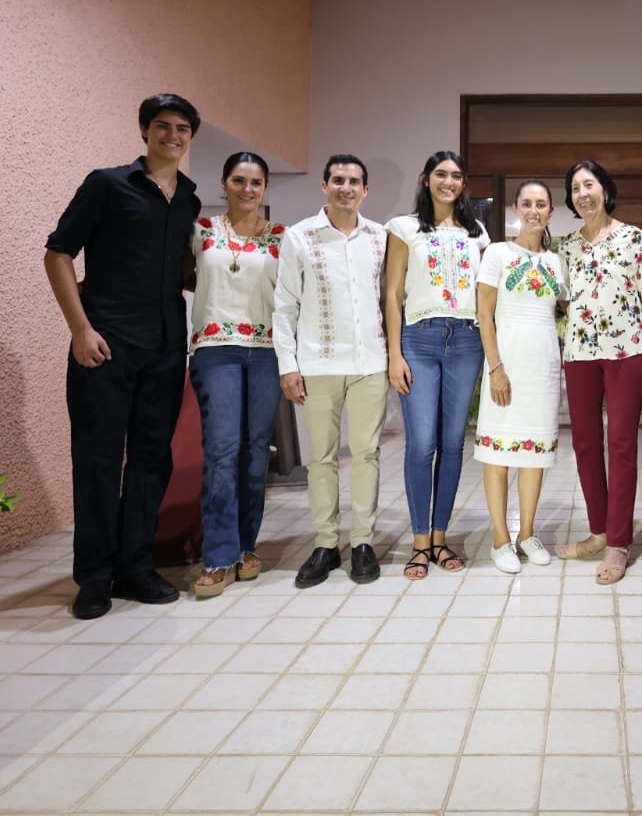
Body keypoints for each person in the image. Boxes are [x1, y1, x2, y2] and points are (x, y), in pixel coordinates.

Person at [44, 93, 202, 620]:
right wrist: (80, 329)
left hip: (165, 346)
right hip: (105, 343)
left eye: (182, 129)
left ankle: (135, 566)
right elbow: (58, 254)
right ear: (144, 131)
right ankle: (94, 577)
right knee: (98, 459)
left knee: (152, 459)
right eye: (163, 126)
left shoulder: (189, 200)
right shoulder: (107, 185)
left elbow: (184, 271)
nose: (173, 136)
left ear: (190, 138)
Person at [274, 154, 388, 587]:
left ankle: (362, 542)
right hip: (318, 363)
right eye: (338, 180)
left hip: (369, 363)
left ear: (365, 190)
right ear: (324, 186)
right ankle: (325, 543)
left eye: (354, 181)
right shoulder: (300, 236)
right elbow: (285, 305)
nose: (346, 188)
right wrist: (288, 365)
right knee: (321, 458)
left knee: (367, 454)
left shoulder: (379, 237)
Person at [555, 160, 642, 585]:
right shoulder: (566, 246)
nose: (583, 194)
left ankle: (618, 542)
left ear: (604, 189)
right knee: (584, 444)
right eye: (575, 188)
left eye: (590, 184)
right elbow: (562, 300)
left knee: (620, 444)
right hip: (580, 354)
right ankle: (599, 531)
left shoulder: (632, 237)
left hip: (628, 352)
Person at [183, 153, 285, 598]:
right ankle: (218, 555)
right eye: (239, 180)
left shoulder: (281, 238)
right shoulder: (201, 231)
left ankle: (246, 546)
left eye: (256, 182)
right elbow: (178, 276)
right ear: (224, 183)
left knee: (256, 450)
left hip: (266, 351)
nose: (248, 189)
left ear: (265, 188)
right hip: (215, 349)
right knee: (223, 449)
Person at [385, 151, 489, 578]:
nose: (449, 182)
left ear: (463, 183)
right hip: (419, 339)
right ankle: (419, 541)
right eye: (441, 174)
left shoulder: (477, 232)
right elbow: (393, 293)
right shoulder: (403, 227)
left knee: (452, 444)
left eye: (457, 176)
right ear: (426, 178)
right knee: (421, 443)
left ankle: (441, 537)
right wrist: (394, 354)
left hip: (466, 339)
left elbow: (485, 295)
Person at [475, 180, 565, 573]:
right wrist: (496, 368)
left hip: (543, 369)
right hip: (505, 365)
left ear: (550, 211)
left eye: (541, 204)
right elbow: (484, 314)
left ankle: (527, 534)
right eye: (526, 203)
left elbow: (565, 311)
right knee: (497, 456)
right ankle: (500, 539)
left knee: (534, 456)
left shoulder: (557, 261)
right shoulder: (498, 253)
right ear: (515, 209)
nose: (534, 210)